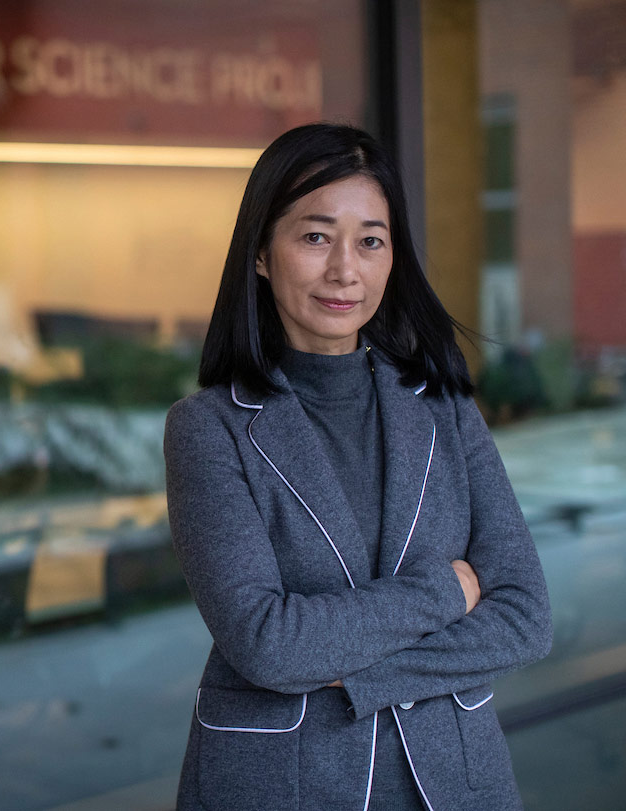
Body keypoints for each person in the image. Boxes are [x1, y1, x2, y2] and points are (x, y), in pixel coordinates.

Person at [164, 123, 551, 810]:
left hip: (455, 782)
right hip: (283, 786)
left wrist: (359, 672)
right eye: (316, 237)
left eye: (370, 240)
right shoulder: (208, 429)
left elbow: (524, 614)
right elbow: (269, 644)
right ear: (260, 251)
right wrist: (448, 593)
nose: (346, 269)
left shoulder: (445, 409)